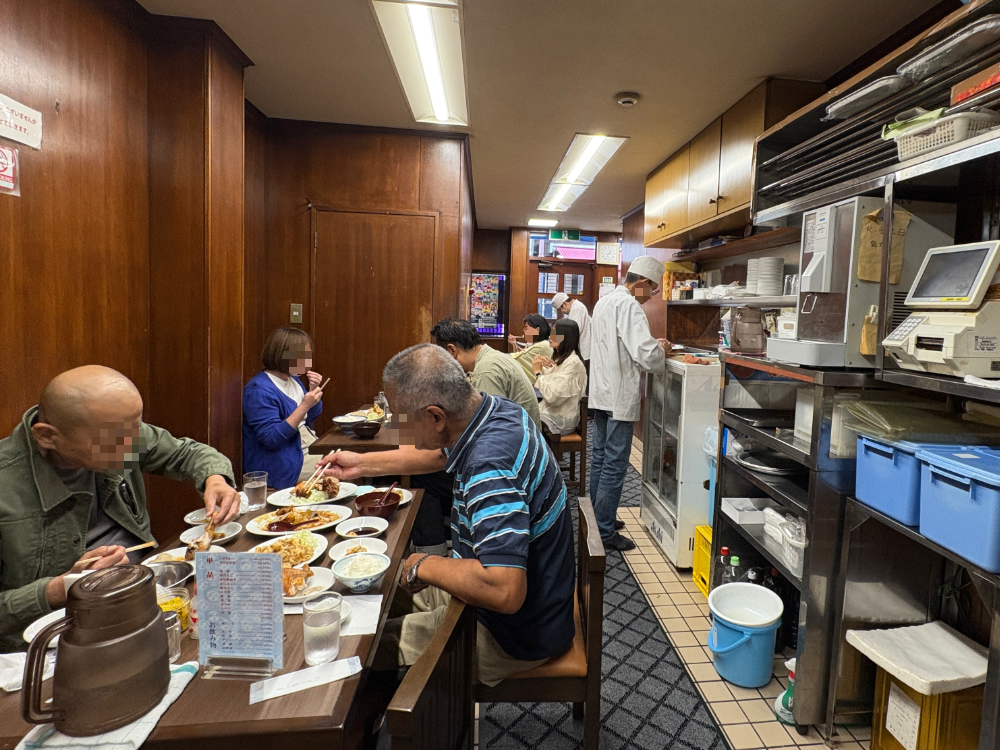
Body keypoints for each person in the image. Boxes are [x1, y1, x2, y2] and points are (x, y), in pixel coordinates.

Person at [320, 345, 575, 686]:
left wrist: (426, 564)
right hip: (527, 597)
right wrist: (362, 463)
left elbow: (504, 591)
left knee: (354, 648)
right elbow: (440, 457)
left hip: (513, 632)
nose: (395, 426)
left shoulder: (490, 466)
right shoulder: (497, 412)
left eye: (399, 418)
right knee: (368, 592)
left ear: (435, 417)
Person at [0, 365, 239, 652]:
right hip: (56, 644)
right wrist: (58, 588)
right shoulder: (7, 484)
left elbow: (186, 452)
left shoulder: (121, 431)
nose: (130, 447)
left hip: (146, 603)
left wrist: (215, 479)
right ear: (47, 436)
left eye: (136, 429)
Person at [401, 318, 541, 557]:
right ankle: (450, 529)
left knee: (424, 475)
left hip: (514, 470)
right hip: (522, 455)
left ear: (452, 351)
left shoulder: (487, 369)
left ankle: (431, 552)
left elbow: (483, 436)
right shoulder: (491, 358)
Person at [589, 256, 670, 551]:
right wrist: (660, 350)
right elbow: (645, 354)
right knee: (615, 463)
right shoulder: (629, 305)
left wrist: (651, 347)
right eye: (653, 290)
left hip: (600, 392)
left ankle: (599, 517)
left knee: (600, 457)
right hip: (618, 394)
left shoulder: (604, 302)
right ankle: (605, 529)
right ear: (642, 283)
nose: (652, 295)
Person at [242, 327, 325, 489]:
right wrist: (304, 405)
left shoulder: (293, 379)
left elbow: (312, 416)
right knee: (340, 467)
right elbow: (271, 438)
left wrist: (313, 390)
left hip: (305, 445)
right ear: (281, 355)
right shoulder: (259, 389)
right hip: (282, 461)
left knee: (347, 458)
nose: (307, 362)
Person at [433, 318, 540, 427]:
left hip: (519, 439)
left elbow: (490, 426)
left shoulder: (487, 369)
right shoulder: (492, 356)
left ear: (452, 350)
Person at [532, 318, 587, 436]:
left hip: (561, 420)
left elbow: (553, 396)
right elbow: (551, 384)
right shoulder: (561, 358)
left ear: (566, 337)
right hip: (550, 413)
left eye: (555, 333)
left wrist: (538, 373)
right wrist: (542, 366)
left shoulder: (573, 362)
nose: (550, 336)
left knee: (520, 422)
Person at [507, 314, 553, 384]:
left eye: (526, 328)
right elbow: (523, 356)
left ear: (537, 329)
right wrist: (514, 344)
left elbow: (519, 357)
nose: (523, 331)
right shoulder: (539, 343)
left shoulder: (543, 345)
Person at [550, 292, 592, 362]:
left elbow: (572, 332)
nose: (562, 312)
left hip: (582, 353)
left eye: (561, 309)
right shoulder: (575, 308)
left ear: (564, 303)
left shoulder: (577, 308)